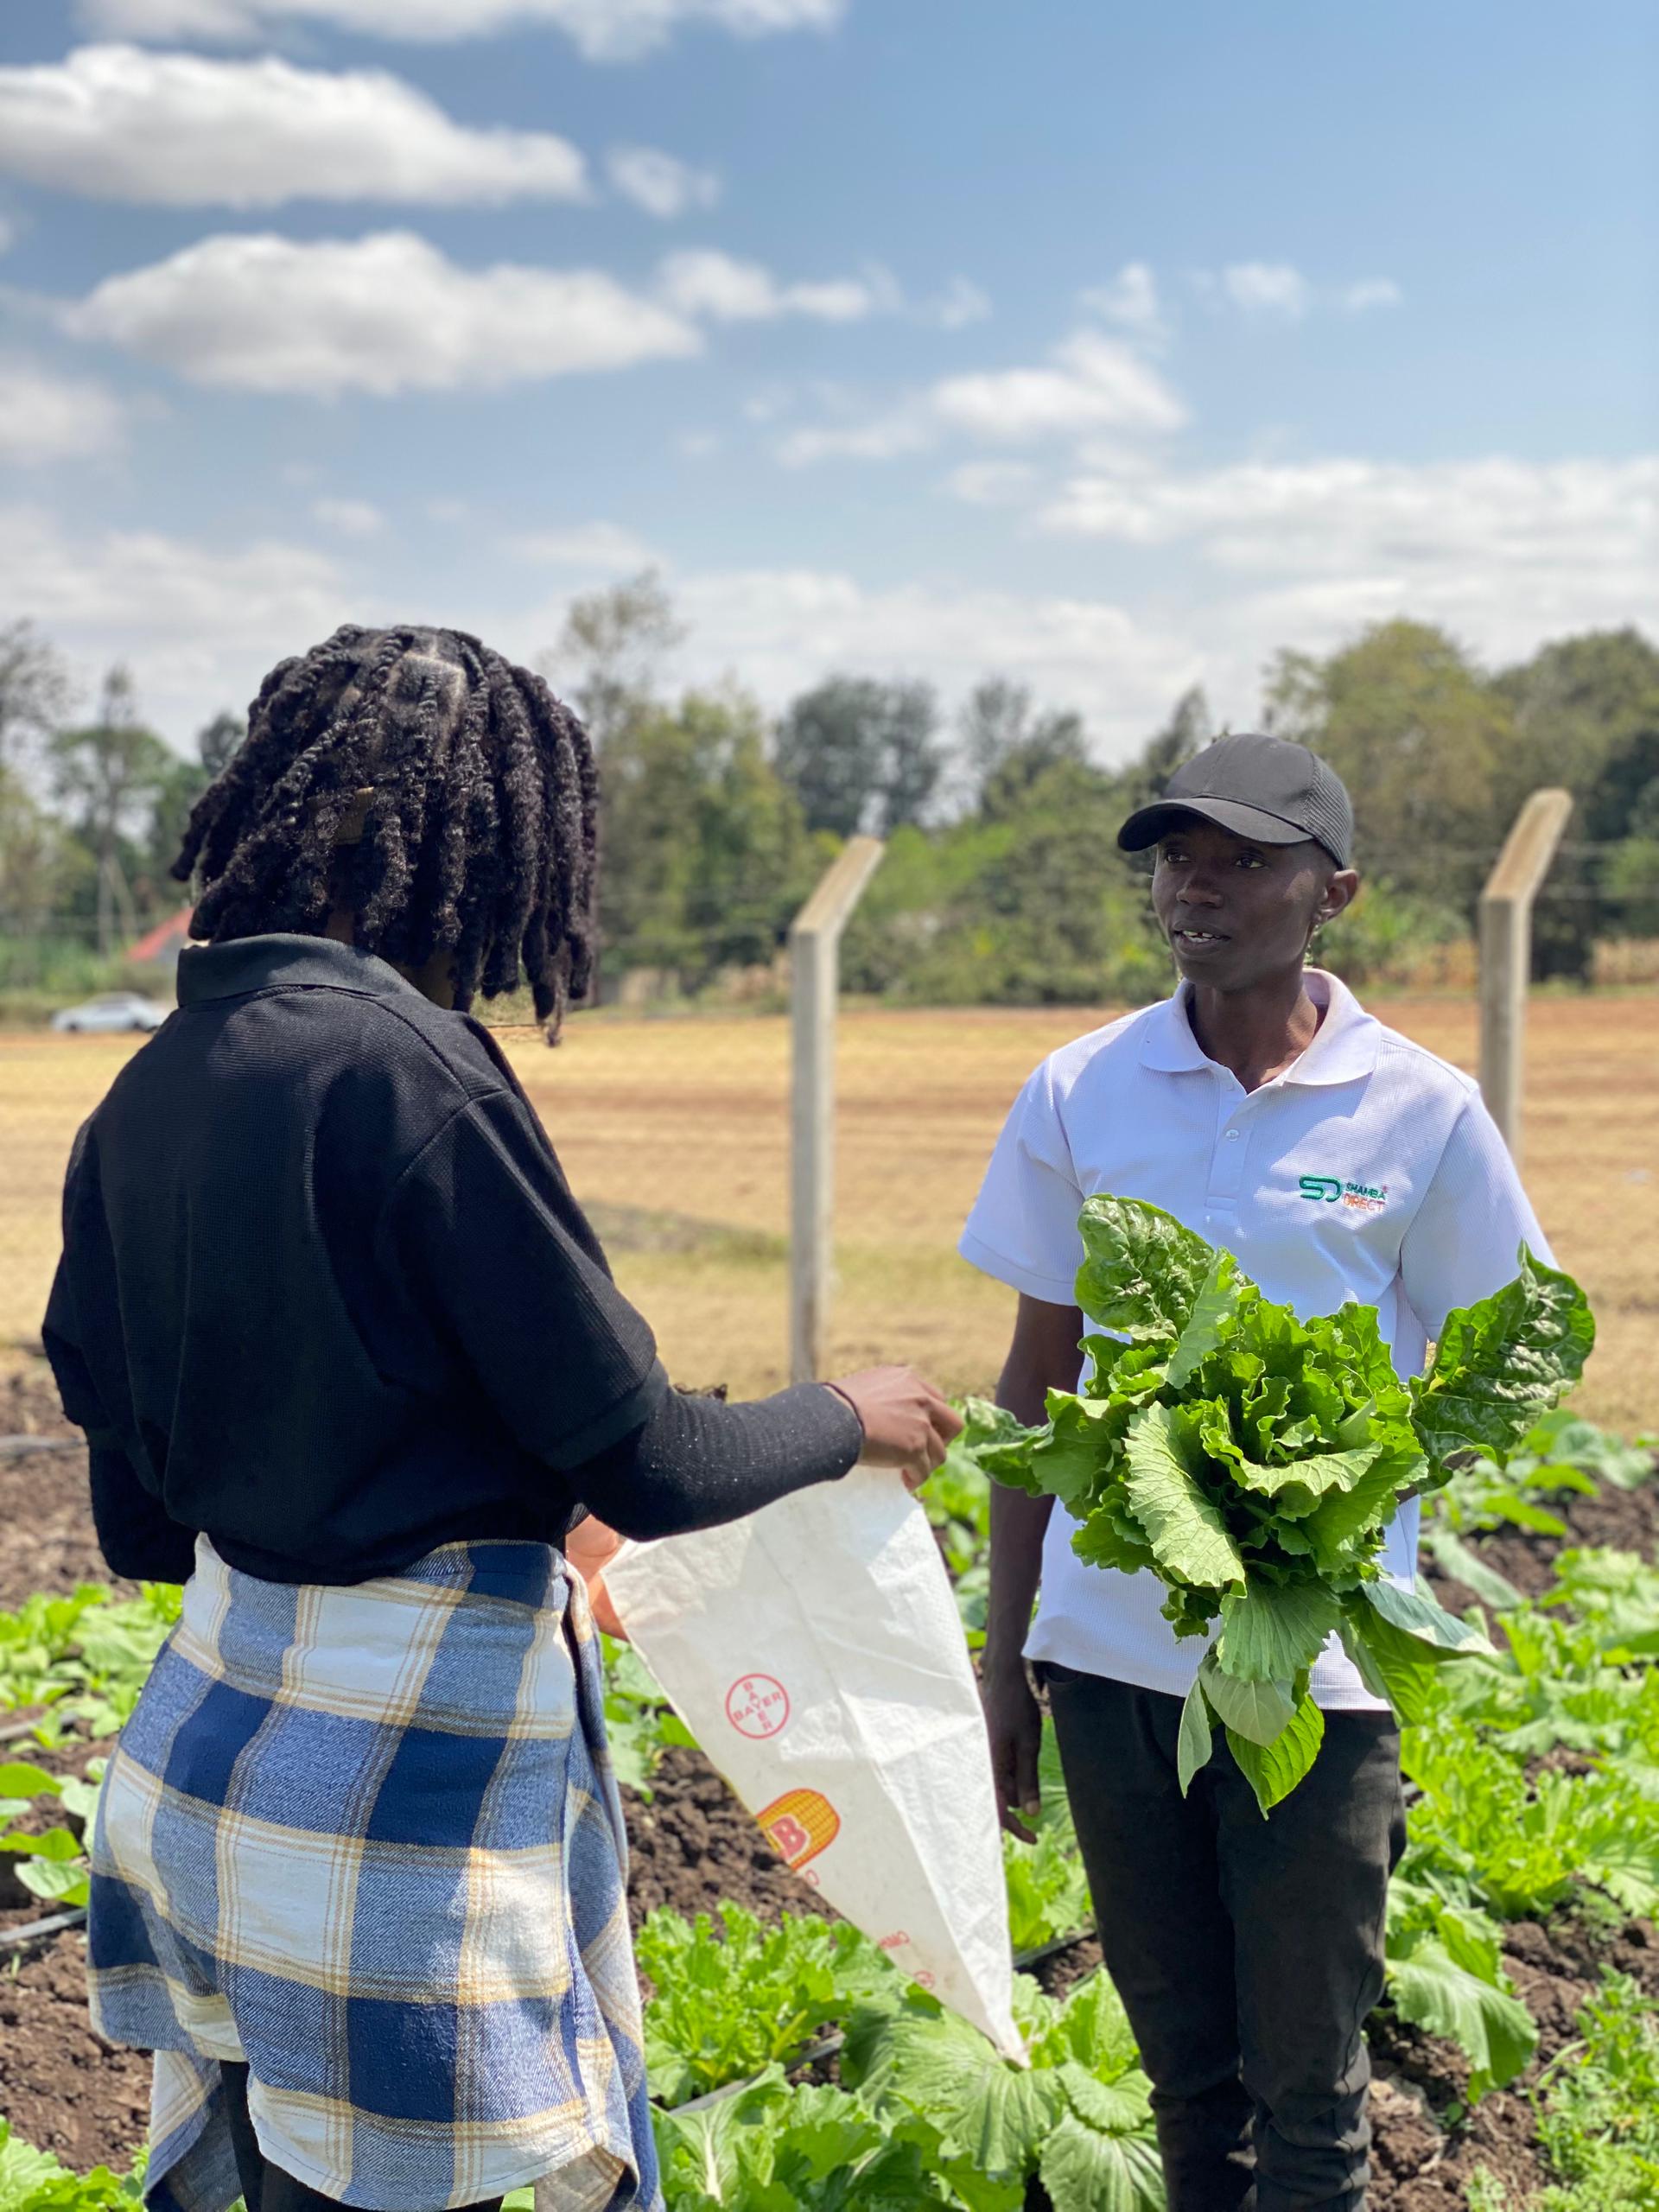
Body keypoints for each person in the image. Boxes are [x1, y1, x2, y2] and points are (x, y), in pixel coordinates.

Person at [42, 624, 960, 2212]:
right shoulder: (413, 1075)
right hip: (408, 1833)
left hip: (198, 1795)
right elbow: (654, 1462)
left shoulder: (149, 1088)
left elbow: (138, 1531)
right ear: (483, 850)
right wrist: (843, 1411)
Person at [962, 734, 1548, 2212]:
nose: (1195, 888)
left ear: (1333, 891)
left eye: (1241, 859)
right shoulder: (1086, 1087)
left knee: (1309, 2098)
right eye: (1175, 858)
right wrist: (1005, 1647)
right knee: (1189, 2084)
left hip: (1316, 1669)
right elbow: (1038, 1381)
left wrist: (1352, 1488)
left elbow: (1515, 1351)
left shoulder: (1417, 1112)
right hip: (1106, 1660)